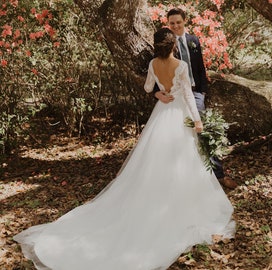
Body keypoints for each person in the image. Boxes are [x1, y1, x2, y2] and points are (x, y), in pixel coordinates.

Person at [13, 28, 235, 270]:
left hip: (161, 115)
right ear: (173, 46)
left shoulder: (152, 64)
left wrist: (159, 93)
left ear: (156, 47)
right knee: (183, 159)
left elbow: (148, 88)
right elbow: (190, 97)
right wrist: (198, 121)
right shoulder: (180, 66)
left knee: (155, 160)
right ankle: (180, 206)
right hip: (179, 113)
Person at [154, 7, 237, 189]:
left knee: (204, 132)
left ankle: (219, 175)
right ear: (168, 24)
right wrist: (156, 92)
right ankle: (180, 179)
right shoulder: (165, 43)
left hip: (195, 92)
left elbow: (200, 68)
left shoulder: (193, 40)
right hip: (174, 96)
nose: (175, 26)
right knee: (177, 136)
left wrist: (203, 91)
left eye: (178, 22)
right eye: (171, 23)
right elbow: (156, 68)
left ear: (185, 21)